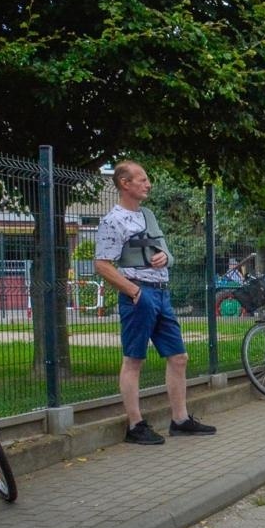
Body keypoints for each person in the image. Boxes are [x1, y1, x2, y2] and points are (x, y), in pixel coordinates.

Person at [93, 160, 217, 445]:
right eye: (142, 179)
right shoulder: (113, 220)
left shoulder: (148, 215)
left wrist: (166, 258)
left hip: (162, 293)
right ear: (125, 183)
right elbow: (102, 265)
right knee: (134, 360)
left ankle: (180, 420)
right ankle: (135, 426)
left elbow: (166, 253)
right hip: (139, 295)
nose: (148, 184)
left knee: (179, 357)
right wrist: (134, 292)